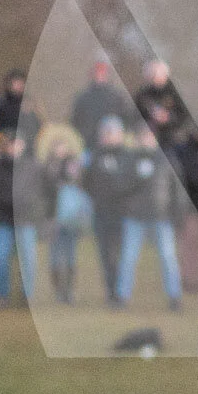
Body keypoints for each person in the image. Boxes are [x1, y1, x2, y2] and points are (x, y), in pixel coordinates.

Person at [115, 125, 184, 310]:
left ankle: (175, 297)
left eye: (149, 136)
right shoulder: (129, 159)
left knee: (168, 258)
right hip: (135, 217)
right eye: (142, 136)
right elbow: (120, 186)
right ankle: (122, 296)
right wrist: (138, 178)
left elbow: (176, 188)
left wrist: (177, 214)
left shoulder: (165, 159)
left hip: (161, 217)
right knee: (128, 257)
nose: (145, 139)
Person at [0, 135, 46, 305]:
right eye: (11, 144)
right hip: (4, 221)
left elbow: (38, 192)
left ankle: (27, 295)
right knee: (1, 258)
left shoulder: (32, 167)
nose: (15, 147)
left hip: (25, 221)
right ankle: (2, 295)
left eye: (18, 143)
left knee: (28, 260)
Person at [83, 116, 130, 305]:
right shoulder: (95, 156)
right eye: (106, 133)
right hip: (101, 213)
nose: (109, 137)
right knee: (105, 254)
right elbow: (86, 182)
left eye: (112, 133)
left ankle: (121, 291)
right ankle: (111, 291)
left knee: (120, 254)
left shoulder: (127, 156)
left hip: (122, 213)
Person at [48, 156, 92, 305]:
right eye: (70, 166)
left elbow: (85, 209)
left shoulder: (81, 187)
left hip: (73, 228)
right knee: (55, 260)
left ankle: (69, 291)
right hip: (57, 227)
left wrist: (83, 225)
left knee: (71, 259)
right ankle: (58, 291)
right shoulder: (56, 186)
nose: (72, 170)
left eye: (75, 167)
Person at [69, 60, 131, 153]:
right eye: (97, 73)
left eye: (102, 73)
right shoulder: (83, 98)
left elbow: (126, 118)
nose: (100, 76)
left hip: (114, 145)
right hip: (89, 143)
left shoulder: (117, 97)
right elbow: (75, 120)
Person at [0, 70, 43, 156]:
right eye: (16, 83)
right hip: (6, 147)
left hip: (28, 147)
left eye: (22, 83)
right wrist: (4, 139)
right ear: (9, 84)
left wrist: (29, 140)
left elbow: (40, 126)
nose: (19, 86)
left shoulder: (31, 103)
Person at [133, 58, 188, 148]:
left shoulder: (176, 93)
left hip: (174, 138)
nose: (153, 78)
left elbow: (185, 117)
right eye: (150, 75)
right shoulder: (142, 95)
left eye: (156, 74)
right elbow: (135, 116)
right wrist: (147, 123)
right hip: (149, 140)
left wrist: (168, 118)